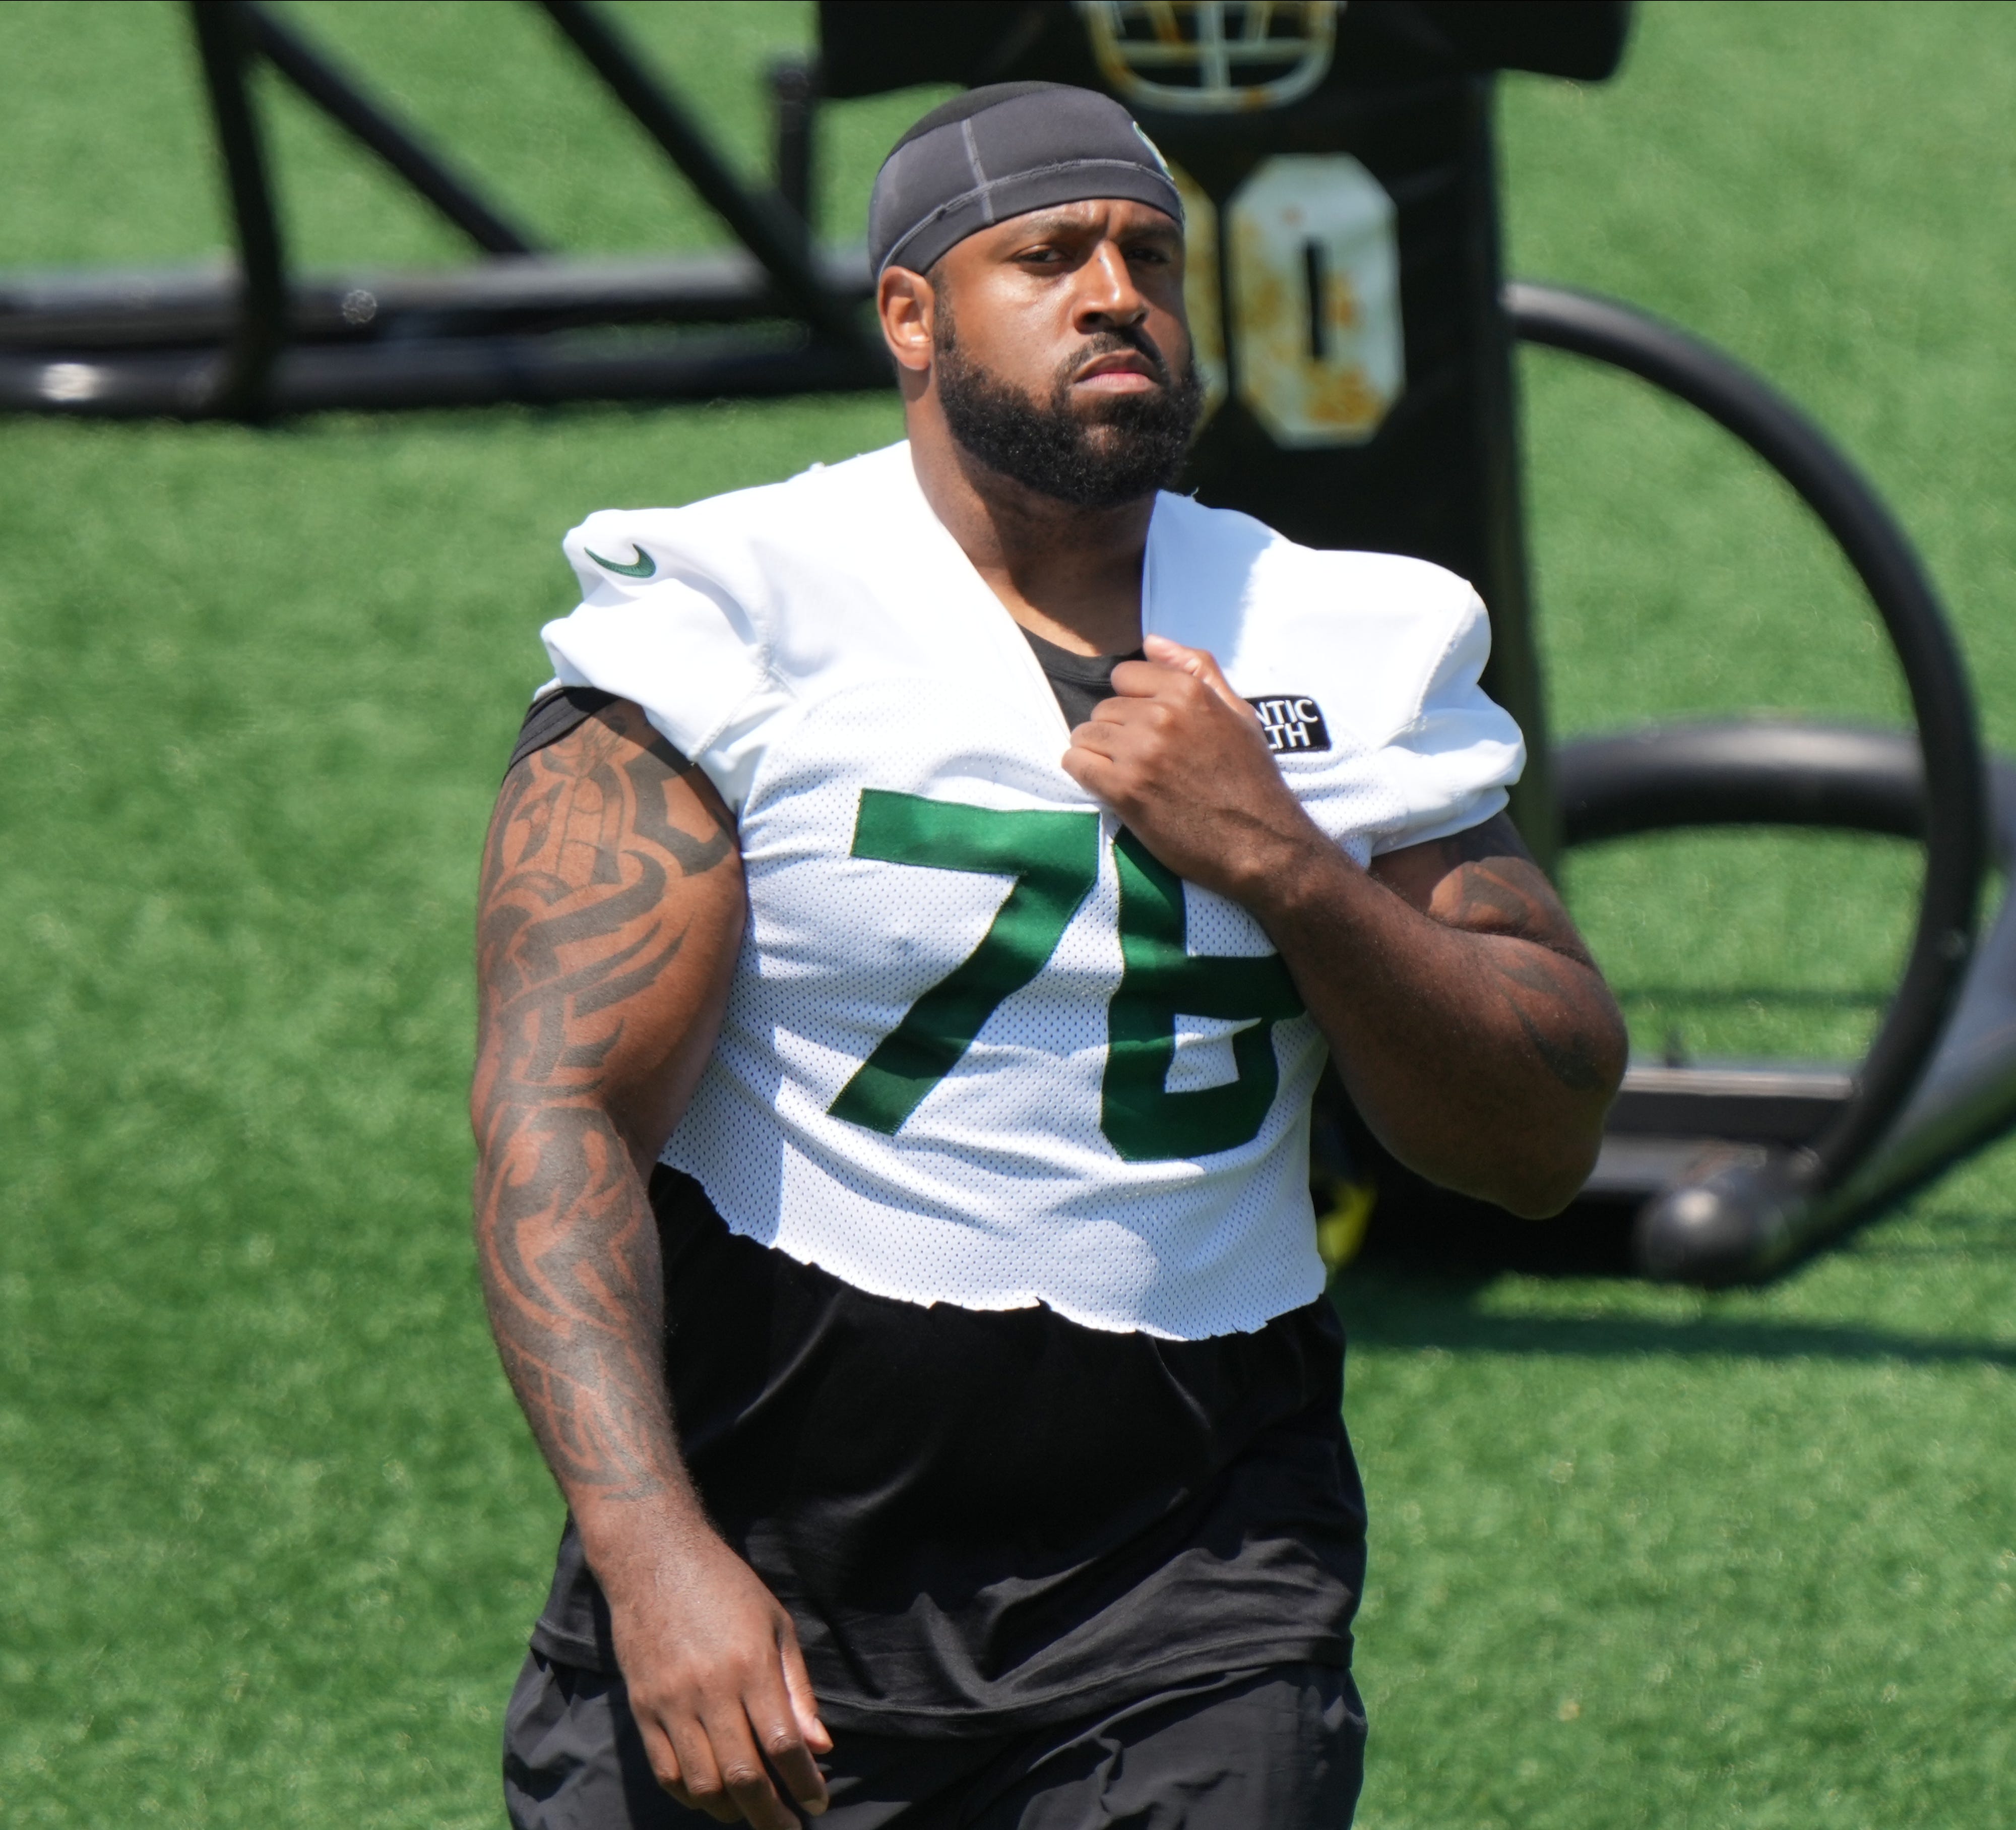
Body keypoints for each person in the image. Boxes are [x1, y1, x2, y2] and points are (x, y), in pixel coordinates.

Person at [471, 81, 1626, 1830]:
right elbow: (559, 1119)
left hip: (1198, 1577)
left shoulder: (1354, 638)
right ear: (913, 317)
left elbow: (1537, 1143)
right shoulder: (720, 621)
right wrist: (653, 1566)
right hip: (774, 1561)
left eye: (1149, 255)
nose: (1116, 293)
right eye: (1049, 256)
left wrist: (1290, 868)